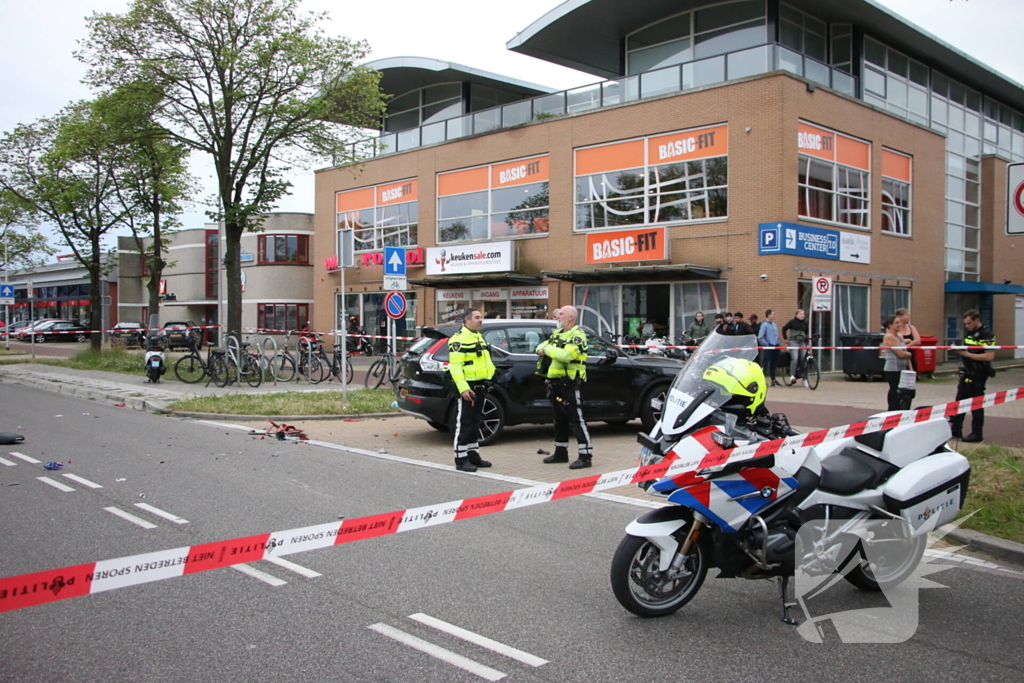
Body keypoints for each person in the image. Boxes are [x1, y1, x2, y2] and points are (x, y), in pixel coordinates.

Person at [536, 305, 592, 469]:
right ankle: (561, 452)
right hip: (555, 383)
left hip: (570, 382)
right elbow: (539, 347)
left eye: (561, 314)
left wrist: (547, 349)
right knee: (559, 419)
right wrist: (548, 349)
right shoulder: (557, 334)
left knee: (576, 419)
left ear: (570, 317)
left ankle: (585, 455)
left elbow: (566, 356)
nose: (557, 316)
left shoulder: (577, 335)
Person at [446, 309, 496, 472]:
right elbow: (455, 367)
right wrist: (463, 388)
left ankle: (474, 456)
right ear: (467, 320)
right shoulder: (459, 340)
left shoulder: (478, 337)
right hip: (468, 387)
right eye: (477, 317)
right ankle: (461, 459)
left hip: (480, 386)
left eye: (481, 317)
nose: (481, 320)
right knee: (464, 423)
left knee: (476, 422)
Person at [949, 309, 995, 443]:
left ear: (977, 320)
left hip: (979, 373)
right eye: (965, 324)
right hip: (968, 371)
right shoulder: (970, 333)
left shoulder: (987, 334)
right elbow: (969, 348)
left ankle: (977, 433)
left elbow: (989, 356)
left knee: (976, 404)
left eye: (969, 323)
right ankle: (956, 430)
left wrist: (967, 354)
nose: (966, 326)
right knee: (959, 401)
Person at [881, 314, 913, 411]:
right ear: (890, 325)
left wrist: (911, 369)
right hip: (893, 369)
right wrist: (909, 354)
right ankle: (892, 411)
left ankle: (900, 410)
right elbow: (901, 354)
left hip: (902, 368)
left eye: (899, 322)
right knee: (895, 391)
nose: (899, 324)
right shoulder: (889, 337)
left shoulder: (899, 336)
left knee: (902, 392)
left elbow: (905, 353)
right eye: (896, 323)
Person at [782, 309, 809, 387]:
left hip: (802, 342)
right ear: (796, 315)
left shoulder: (805, 323)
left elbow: (806, 332)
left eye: (803, 314)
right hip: (794, 342)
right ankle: (792, 375)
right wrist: (785, 338)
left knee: (803, 359)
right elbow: (784, 328)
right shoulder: (792, 322)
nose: (802, 316)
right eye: (800, 314)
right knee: (795, 358)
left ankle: (804, 378)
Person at [757, 309, 781, 387]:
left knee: (773, 363)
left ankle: (773, 380)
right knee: (765, 363)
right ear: (768, 315)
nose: (774, 316)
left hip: (776, 345)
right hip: (769, 346)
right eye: (773, 314)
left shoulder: (774, 324)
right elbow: (760, 337)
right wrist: (766, 344)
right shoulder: (764, 325)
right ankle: (762, 380)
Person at [894, 307, 921, 371]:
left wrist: (906, 346)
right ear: (900, 316)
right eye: (907, 315)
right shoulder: (895, 328)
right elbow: (895, 340)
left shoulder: (911, 327)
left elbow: (918, 341)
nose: (909, 317)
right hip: (899, 356)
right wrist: (907, 341)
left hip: (911, 355)